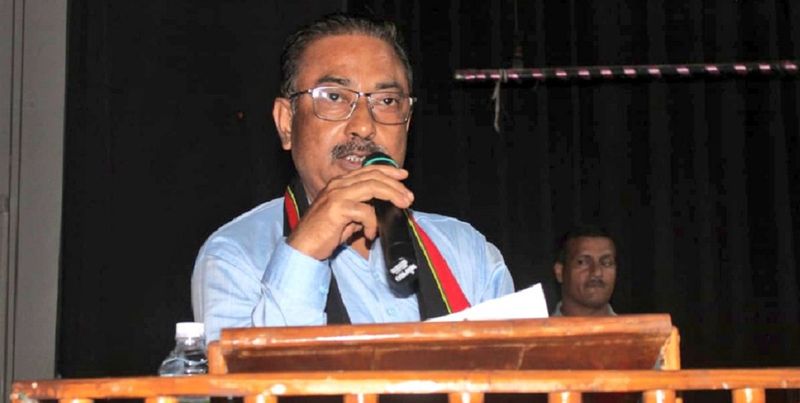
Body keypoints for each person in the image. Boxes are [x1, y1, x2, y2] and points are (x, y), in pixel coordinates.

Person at [191, 13, 515, 342]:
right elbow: (253, 375)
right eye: (334, 97)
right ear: (286, 123)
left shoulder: (467, 253)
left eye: (387, 101)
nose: (363, 125)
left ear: (407, 123)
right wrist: (302, 256)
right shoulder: (236, 256)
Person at [551, 224, 617, 317]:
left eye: (606, 263)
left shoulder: (635, 326)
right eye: (582, 262)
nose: (597, 272)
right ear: (559, 272)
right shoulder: (535, 326)